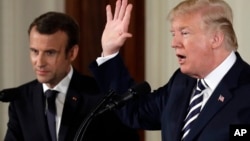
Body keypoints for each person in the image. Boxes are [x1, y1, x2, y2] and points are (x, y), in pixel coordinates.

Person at [89, 0, 250, 141]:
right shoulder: (181, 82)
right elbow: (135, 110)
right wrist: (110, 52)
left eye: (184, 33)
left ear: (216, 39)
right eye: (173, 34)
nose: (174, 43)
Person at [4, 11, 140, 141]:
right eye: (34, 51)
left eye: (50, 53)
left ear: (72, 53)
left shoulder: (100, 97)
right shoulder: (20, 100)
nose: (39, 62)